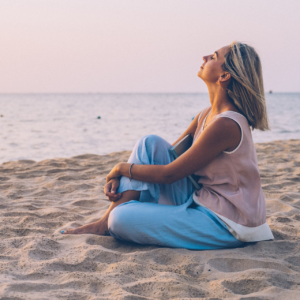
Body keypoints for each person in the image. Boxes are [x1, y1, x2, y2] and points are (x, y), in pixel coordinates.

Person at [62, 41, 274, 250]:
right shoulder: (205, 115)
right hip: (203, 199)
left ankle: (111, 220)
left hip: (229, 222)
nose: (205, 57)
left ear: (225, 76)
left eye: (214, 57)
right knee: (149, 144)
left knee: (120, 219)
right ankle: (104, 223)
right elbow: (164, 158)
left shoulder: (227, 124)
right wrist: (127, 177)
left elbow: (168, 175)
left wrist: (119, 169)